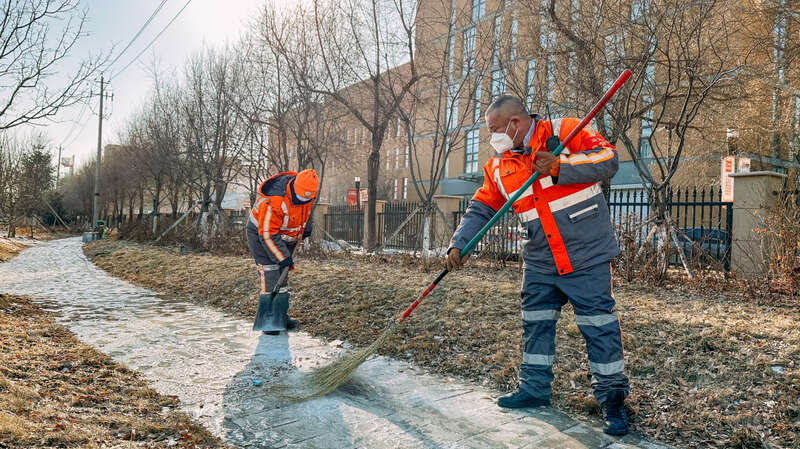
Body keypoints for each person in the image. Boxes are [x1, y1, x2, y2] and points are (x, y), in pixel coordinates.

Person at [446, 95, 629, 436]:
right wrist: (460, 242)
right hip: (541, 259)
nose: (492, 138)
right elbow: (481, 208)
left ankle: (613, 402)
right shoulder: (499, 166)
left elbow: (608, 159)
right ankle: (534, 389)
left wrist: (560, 167)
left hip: (585, 254)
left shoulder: (565, 131)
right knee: (536, 323)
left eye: (494, 130)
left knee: (599, 326)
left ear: (514, 123)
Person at [246, 169, 318, 335]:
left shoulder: (307, 196)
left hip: (285, 237)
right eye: (301, 197)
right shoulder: (274, 200)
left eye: (308, 198)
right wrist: (283, 257)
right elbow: (267, 234)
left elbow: (306, 213)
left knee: (283, 277)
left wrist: (306, 229)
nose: (304, 201)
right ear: (294, 188)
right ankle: (268, 321)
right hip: (261, 235)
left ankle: (280, 317)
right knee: (271, 274)